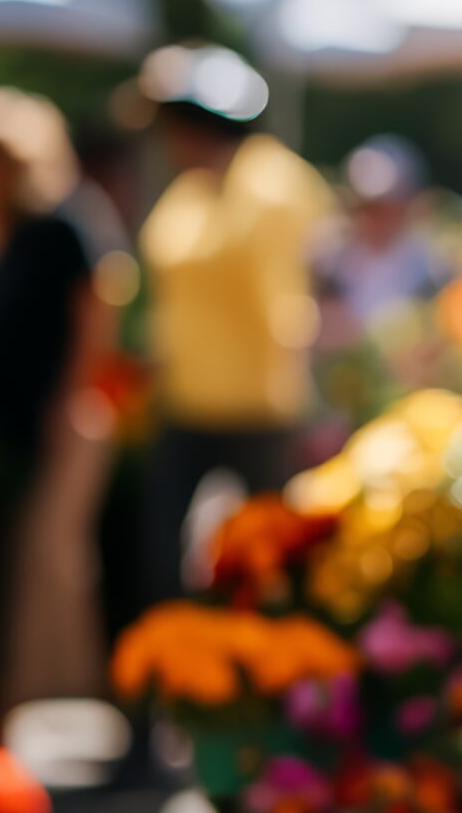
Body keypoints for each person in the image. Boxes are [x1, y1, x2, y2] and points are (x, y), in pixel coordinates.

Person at [130, 43, 333, 597]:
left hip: (260, 413)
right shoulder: (187, 192)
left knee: (268, 566)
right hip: (182, 405)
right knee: (165, 562)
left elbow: (288, 300)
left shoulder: (272, 183)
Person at [0, 87, 120, 707]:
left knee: (46, 564)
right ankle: (27, 701)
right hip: (10, 427)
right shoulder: (0, 234)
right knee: (22, 567)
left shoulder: (60, 226)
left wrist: (67, 399)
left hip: (61, 422)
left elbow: (96, 313)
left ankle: (64, 696)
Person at [316, 134, 445, 351]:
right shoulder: (329, 261)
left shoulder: (430, 270)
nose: (371, 217)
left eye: (382, 207)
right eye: (364, 206)